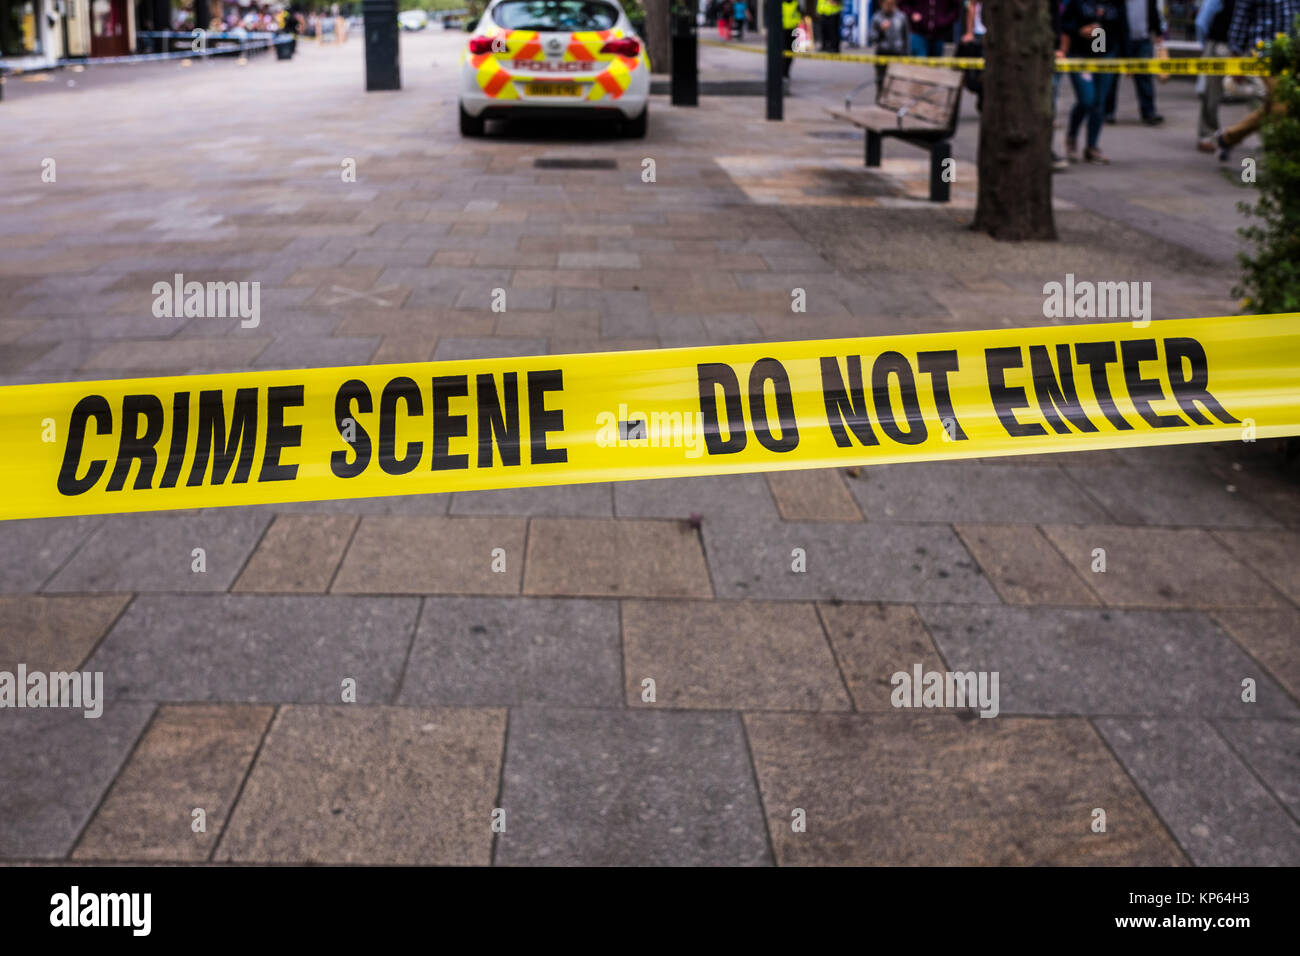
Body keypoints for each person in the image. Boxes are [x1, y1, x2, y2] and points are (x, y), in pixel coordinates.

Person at [1201, 0, 1300, 161]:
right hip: (1264, 53)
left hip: (1291, 52)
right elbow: (1240, 20)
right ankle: (1283, 159)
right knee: (1283, 102)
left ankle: (1228, 138)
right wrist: (1236, 61)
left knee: (1273, 106)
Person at [1061, 0, 1126, 165]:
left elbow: (1123, 28)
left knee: (1099, 102)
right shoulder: (1077, 3)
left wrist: (1126, 57)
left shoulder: (1116, 4)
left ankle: (1092, 146)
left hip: (1105, 54)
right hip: (1080, 55)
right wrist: (1080, 31)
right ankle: (1071, 137)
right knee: (1086, 100)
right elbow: (1065, 26)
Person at [1103, 0, 1166, 124]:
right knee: (1111, 77)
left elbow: (1153, 13)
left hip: (1142, 40)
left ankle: (1149, 113)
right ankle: (1107, 112)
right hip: (1119, 40)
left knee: (1144, 76)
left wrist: (1158, 32)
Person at [1195, 0, 1235, 148]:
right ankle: (1207, 135)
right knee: (1211, 94)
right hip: (1219, 45)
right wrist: (1206, 46)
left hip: (1235, 47)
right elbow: (1202, 23)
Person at [870, 0, 910, 93]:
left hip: (897, 53)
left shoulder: (901, 17)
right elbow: (871, 38)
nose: (889, 6)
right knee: (881, 79)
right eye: (886, 4)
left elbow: (906, 37)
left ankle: (894, 101)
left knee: (897, 81)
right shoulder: (877, 17)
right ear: (881, 4)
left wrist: (907, 54)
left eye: (891, 4)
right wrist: (881, 30)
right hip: (882, 52)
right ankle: (880, 99)